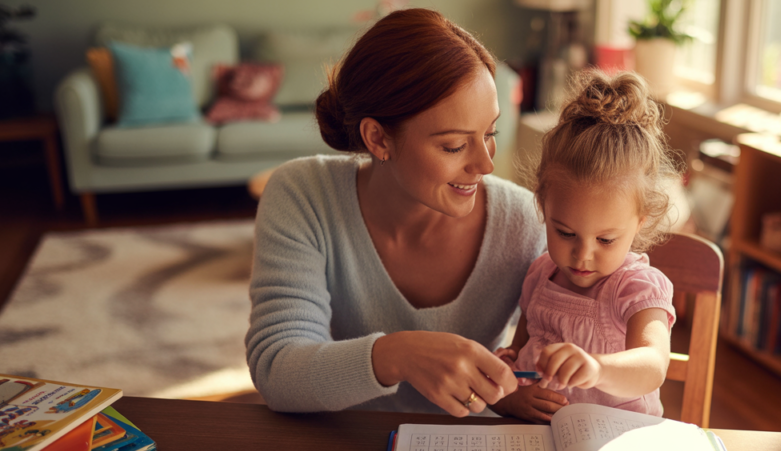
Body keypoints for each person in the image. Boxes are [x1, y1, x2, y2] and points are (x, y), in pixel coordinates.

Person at [245, 8, 545, 416]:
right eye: (454, 146)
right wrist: (397, 355)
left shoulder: (525, 222)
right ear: (377, 138)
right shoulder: (304, 195)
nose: (485, 164)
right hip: (344, 450)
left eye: (489, 133)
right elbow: (277, 369)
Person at [491, 70, 680, 422]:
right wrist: (508, 386)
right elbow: (517, 356)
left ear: (640, 222)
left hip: (615, 448)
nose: (582, 255)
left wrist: (598, 369)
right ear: (544, 207)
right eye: (564, 233)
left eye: (606, 240)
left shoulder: (637, 287)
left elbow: (652, 365)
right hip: (534, 443)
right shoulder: (540, 275)